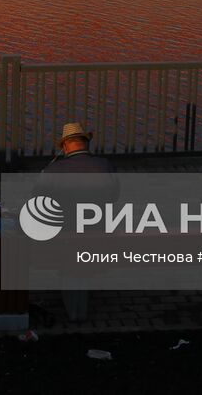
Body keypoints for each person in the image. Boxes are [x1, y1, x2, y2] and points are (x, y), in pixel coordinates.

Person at [38, 123, 116, 322]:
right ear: (86, 144)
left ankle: (73, 299)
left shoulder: (53, 170)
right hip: (98, 236)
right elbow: (114, 196)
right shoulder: (104, 166)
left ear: (65, 147)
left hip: (62, 240)